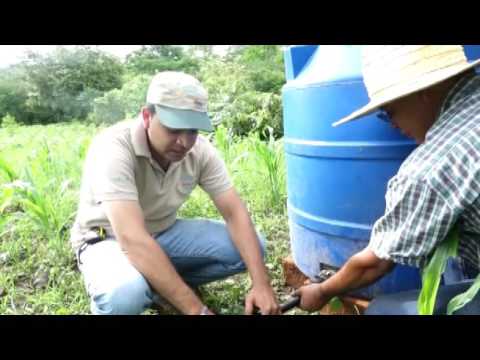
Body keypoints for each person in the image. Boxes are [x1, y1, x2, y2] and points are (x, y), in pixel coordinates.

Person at [70, 71, 280, 315]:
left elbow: (235, 213)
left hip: (163, 232)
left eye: (192, 130)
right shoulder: (114, 147)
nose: (184, 142)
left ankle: (161, 286)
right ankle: (143, 287)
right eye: (173, 128)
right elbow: (132, 238)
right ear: (147, 116)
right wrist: (196, 310)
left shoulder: (200, 151)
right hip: (106, 239)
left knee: (255, 246)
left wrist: (261, 284)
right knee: (125, 295)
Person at [294, 45, 480, 314]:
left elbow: (376, 262)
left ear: (422, 90)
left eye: (388, 110)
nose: (391, 124)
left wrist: (322, 290)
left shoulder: (434, 166)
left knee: (384, 310)